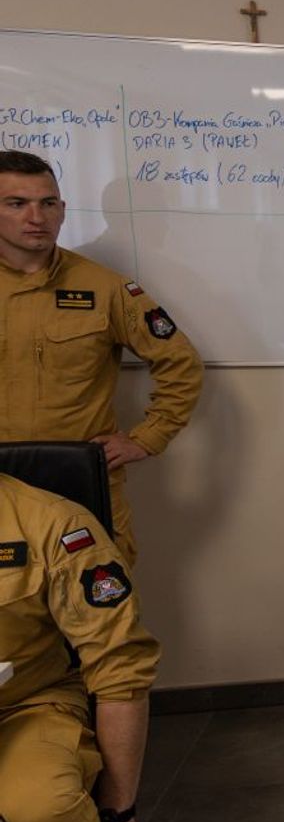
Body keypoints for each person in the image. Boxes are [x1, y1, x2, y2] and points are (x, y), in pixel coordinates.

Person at [0, 150, 203, 566]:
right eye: (17, 203)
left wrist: (146, 438)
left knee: (100, 600)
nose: (36, 217)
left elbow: (181, 363)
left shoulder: (105, 288)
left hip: (80, 481)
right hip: (2, 485)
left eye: (48, 203)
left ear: (62, 210)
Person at [0, 473, 159, 822]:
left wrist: (118, 813)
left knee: (38, 809)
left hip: (25, 704)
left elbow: (119, 664)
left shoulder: (53, 523)